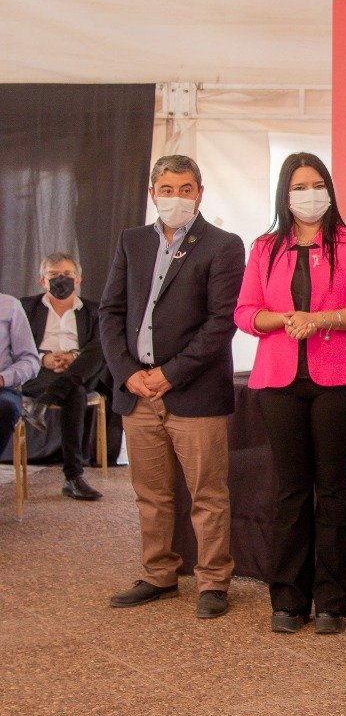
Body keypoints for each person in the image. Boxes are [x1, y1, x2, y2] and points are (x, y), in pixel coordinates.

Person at [235, 153, 346, 635]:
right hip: (279, 381)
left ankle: (333, 602)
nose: (309, 194)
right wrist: (285, 320)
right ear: (285, 194)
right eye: (299, 186)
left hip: (339, 380)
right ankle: (288, 600)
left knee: (333, 488)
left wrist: (320, 320)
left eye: (317, 184)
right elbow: (245, 312)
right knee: (290, 489)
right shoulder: (264, 247)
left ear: (330, 190)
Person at [99, 154, 245, 619]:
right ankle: (158, 574)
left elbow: (221, 322)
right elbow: (110, 312)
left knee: (208, 495)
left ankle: (213, 581)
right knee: (151, 493)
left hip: (193, 392)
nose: (176, 197)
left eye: (185, 189)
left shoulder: (223, 245)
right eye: (167, 189)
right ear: (152, 194)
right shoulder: (132, 241)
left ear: (199, 193)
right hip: (137, 390)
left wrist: (170, 373)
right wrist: (127, 372)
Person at [19, 252, 112, 501]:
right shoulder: (25, 308)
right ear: (42, 281)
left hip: (81, 369)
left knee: (103, 344)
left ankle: (45, 401)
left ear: (78, 279)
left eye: (67, 274)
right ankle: (73, 477)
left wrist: (74, 357)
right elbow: (14, 346)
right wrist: (44, 358)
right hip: (39, 372)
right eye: (54, 275)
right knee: (75, 391)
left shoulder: (94, 311)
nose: (61, 279)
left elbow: (97, 351)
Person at [1, 292, 41, 464]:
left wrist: (3, 378)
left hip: (3, 388)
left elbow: (30, 360)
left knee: (5, 407)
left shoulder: (10, 306)